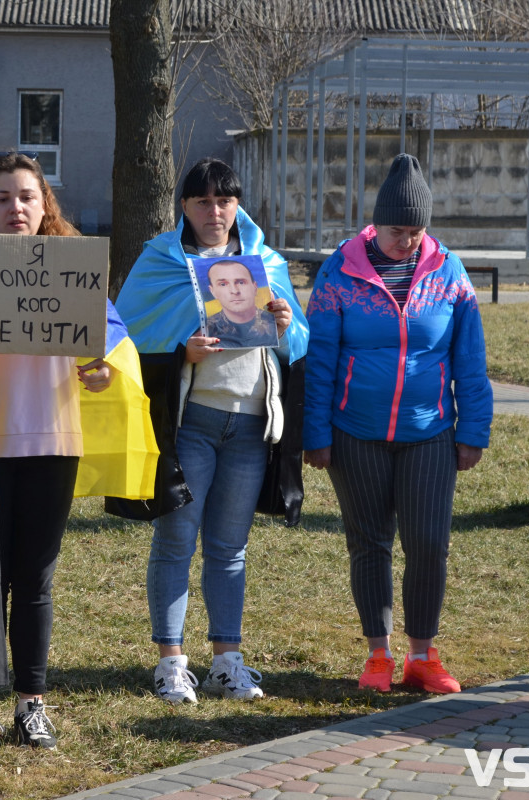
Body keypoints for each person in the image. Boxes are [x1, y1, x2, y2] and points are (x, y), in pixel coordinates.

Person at [0, 151, 152, 753]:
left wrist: (100, 372)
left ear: (44, 203)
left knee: (36, 577)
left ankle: (32, 703)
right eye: (1, 198)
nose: (14, 208)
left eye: (25, 196)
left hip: (52, 437)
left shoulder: (72, 261)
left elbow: (112, 342)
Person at [115, 156, 308, 706]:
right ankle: (171, 662)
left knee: (230, 547)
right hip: (191, 424)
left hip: (251, 425)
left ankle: (227, 661)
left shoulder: (265, 262)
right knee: (176, 539)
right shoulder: (161, 262)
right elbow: (127, 337)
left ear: (238, 205)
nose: (214, 211)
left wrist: (287, 325)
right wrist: (183, 352)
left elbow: (297, 347)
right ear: (184, 207)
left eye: (224, 200)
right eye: (202, 201)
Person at [303, 153, 492, 694]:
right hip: (354, 433)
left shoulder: (449, 273)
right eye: (395, 231)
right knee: (369, 543)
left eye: (415, 230)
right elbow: (320, 362)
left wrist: (472, 431)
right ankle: (378, 655)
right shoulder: (339, 272)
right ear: (374, 224)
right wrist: (316, 434)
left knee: (429, 543)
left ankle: (423, 655)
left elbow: (469, 360)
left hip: (429, 434)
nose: (406, 241)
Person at [203, 260, 277, 347]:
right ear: (213, 291)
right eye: (223, 284)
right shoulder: (207, 328)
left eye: (241, 282)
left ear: (255, 287)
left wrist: (282, 335)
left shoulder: (273, 321)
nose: (235, 291)